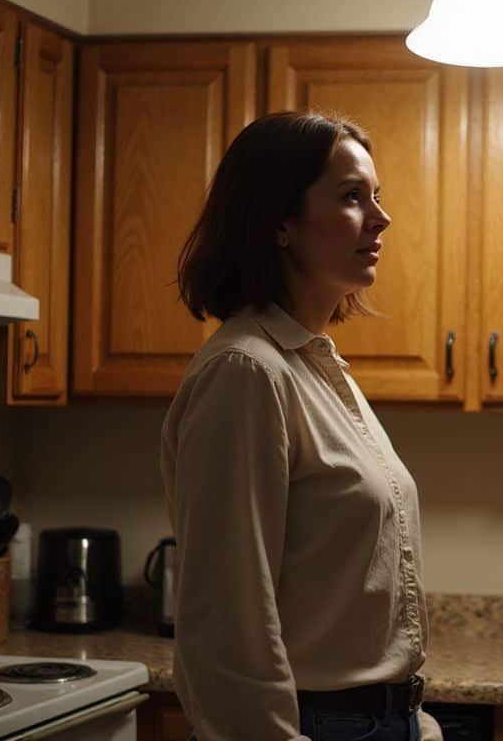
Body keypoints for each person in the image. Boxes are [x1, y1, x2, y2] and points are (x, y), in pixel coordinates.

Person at [161, 111, 441, 741]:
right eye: (350, 197)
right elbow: (226, 625)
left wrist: (413, 720)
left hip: (380, 721)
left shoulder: (313, 365)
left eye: (376, 196)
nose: (380, 218)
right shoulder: (246, 373)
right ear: (278, 222)